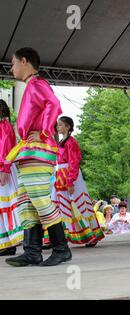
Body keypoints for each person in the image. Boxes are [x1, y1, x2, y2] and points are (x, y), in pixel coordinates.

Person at [5, 47, 71, 267]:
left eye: (13, 63)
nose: (11, 67)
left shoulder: (37, 84)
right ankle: (32, 252)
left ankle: (61, 249)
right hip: (29, 150)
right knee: (26, 201)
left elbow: (55, 104)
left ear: (24, 61)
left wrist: (43, 131)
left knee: (40, 199)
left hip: (38, 149)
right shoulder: (32, 86)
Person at [51, 116, 104, 247]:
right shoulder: (61, 142)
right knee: (62, 206)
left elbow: (74, 162)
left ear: (68, 127)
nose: (58, 127)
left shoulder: (71, 142)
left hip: (70, 175)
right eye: (58, 125)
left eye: (60, 125)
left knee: (79, 204)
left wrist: (70, 181)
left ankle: (91, 235)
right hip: (60, 175)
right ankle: (61, 236)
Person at [0, 100, 23, 256]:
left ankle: (11, 242)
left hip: (4, 169)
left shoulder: (4, 126)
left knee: (6, 204)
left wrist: (4, 170)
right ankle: (6, 243)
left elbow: (5, 150)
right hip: (4, 167)